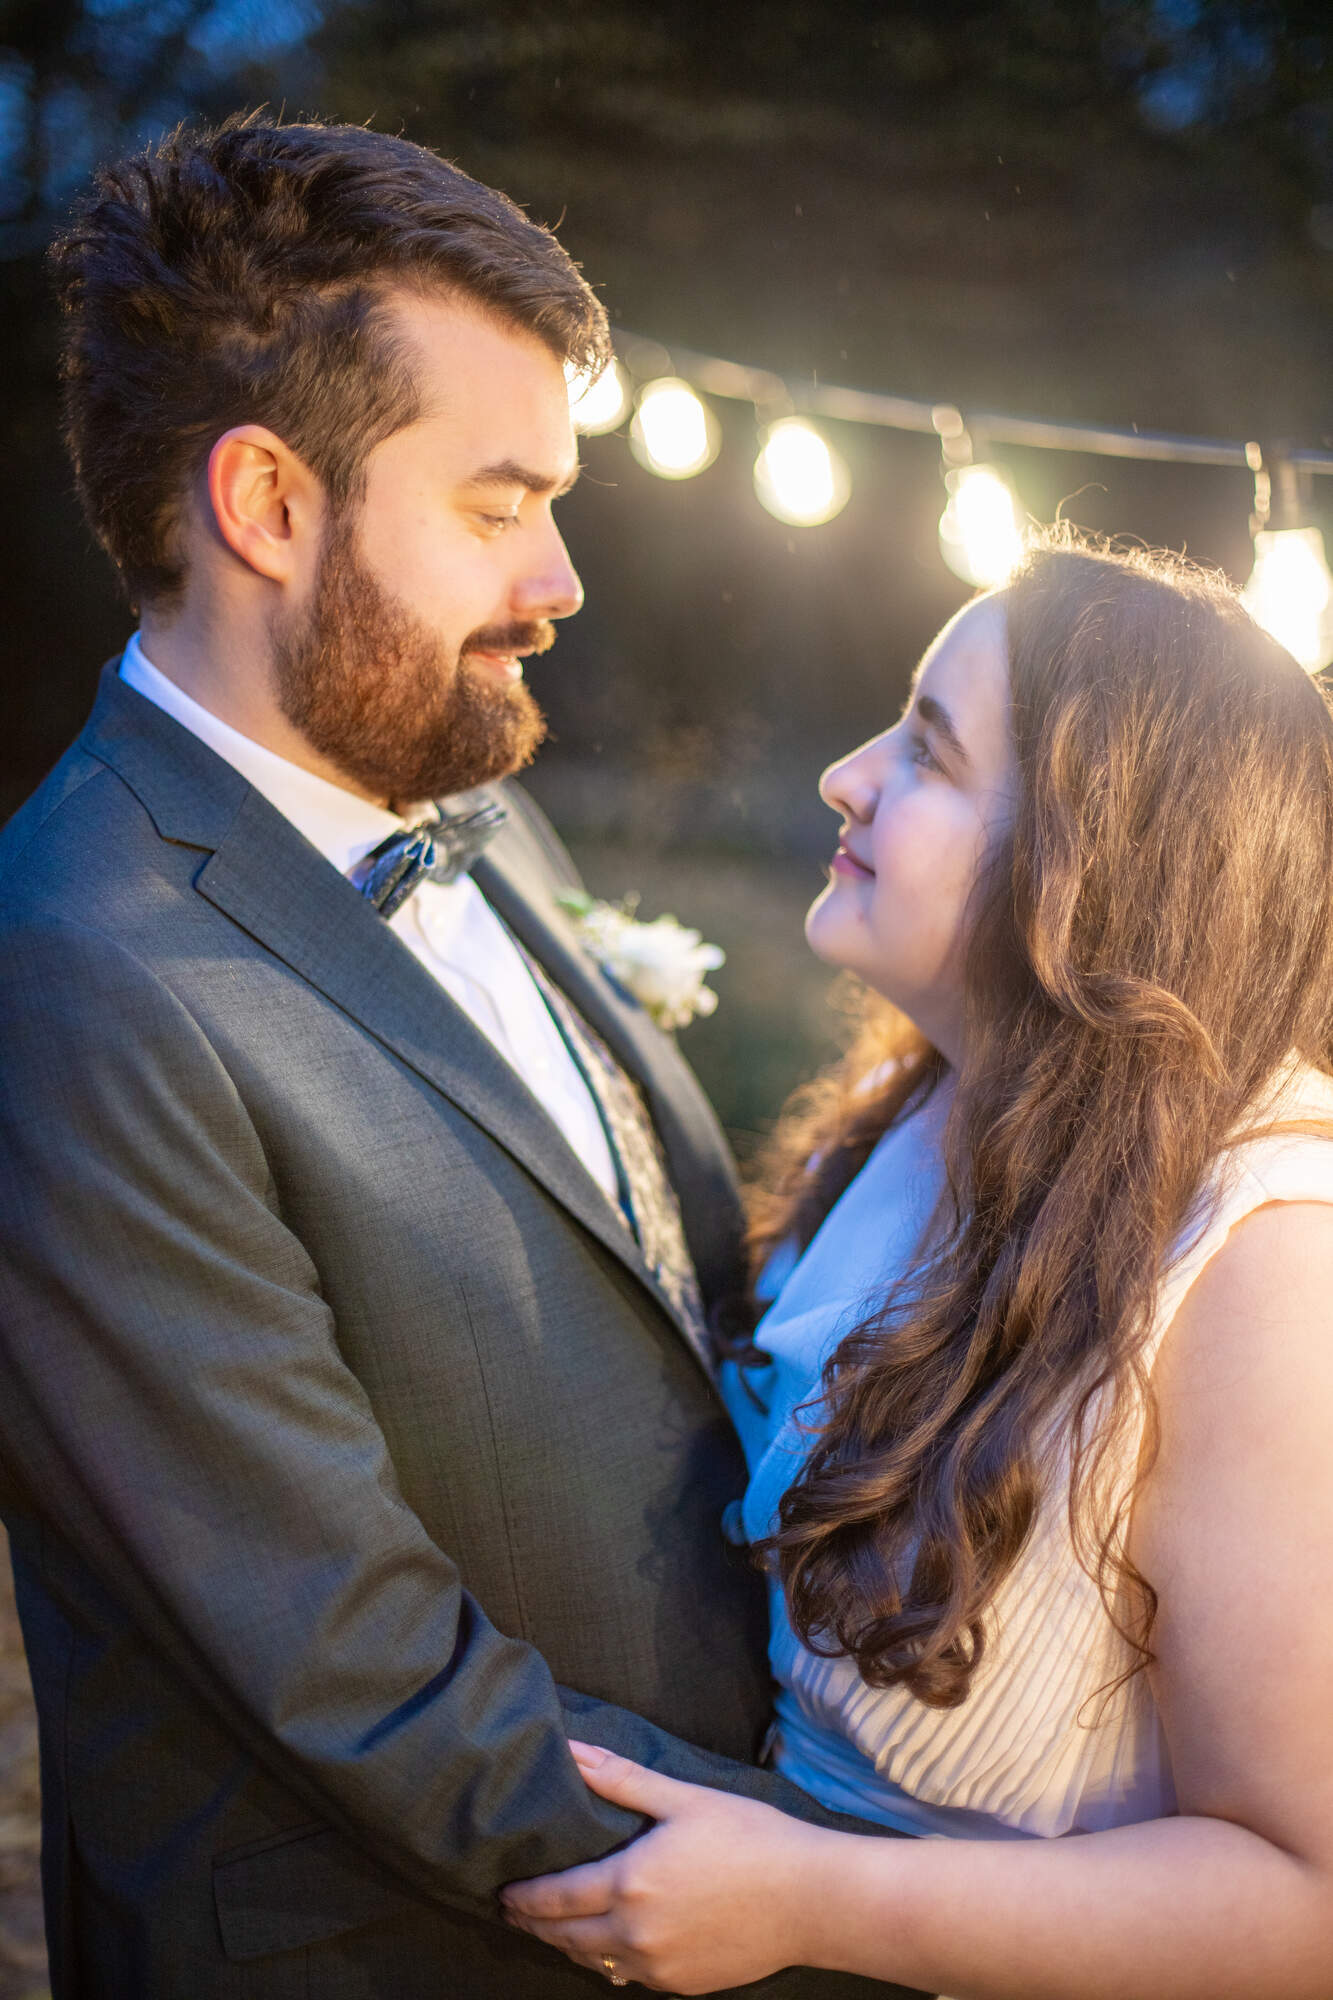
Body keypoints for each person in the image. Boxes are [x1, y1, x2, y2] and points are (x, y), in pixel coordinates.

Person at [0, 116, 924, 1999]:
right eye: (499, 506)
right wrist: (897, 1911)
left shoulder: (470, 798)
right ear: (268, 506)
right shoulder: (76, 969)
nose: (561, 576)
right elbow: (354, 1668)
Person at [503, 537, 1333, 1996]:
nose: (846, 776)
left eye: (929, 753)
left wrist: (814, 1902)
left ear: (1091, 866)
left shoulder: (1267, 1272)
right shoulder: (931, 1092)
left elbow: (1304, 1902)